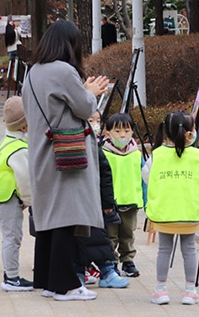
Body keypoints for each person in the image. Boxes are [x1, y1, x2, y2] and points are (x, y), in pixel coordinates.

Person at [21, 19, 109, 301]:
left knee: (49, 217)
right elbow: (84, 107)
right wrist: (91, 92)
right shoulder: (64, 70)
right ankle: (65, 285)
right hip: (66, 154)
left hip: (42, 152)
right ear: (70, 45)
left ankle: (47, 280)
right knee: (67, 217)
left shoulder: (33, 71)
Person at [142, 110, 199, 305]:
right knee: (189, 249)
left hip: (164, 212)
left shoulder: (157, 155)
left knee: (164, 249)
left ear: (167, 131)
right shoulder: (198, 156)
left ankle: (161, 290)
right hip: (190, 212)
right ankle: (190, 291)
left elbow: (146, 176)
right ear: (190, 132)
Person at [73, 110, 131, 290]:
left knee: (99, 237)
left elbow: (106, 179)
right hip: (77, 201)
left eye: (98, 120)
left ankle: (107, 271)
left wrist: (107, 206)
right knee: (78, 240)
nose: (95, 124)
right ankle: (80, 274)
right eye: (91, 120)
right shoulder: (81, 141)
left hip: (95, 202)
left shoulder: (95, 147)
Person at [0, 96, 34, 292]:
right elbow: (25, 180)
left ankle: (11, 275)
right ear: (23, 126)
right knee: (12, 237)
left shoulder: (6, 141)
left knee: (10, 236)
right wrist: (29, 201)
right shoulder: (19, 149)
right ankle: (11, 278)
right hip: (7, 198)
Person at [101, 113, 144, 277]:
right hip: (111, 203)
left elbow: (143, 178)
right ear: (108, 132)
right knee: (111, 235)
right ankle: (111, 262)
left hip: (131, 201)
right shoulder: (104, 153)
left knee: (128, 234)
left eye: (126, 131)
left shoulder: (136, 154)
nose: (122, 135)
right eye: (117, 131)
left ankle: (128, 260)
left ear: (132, 132)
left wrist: (144, 200)